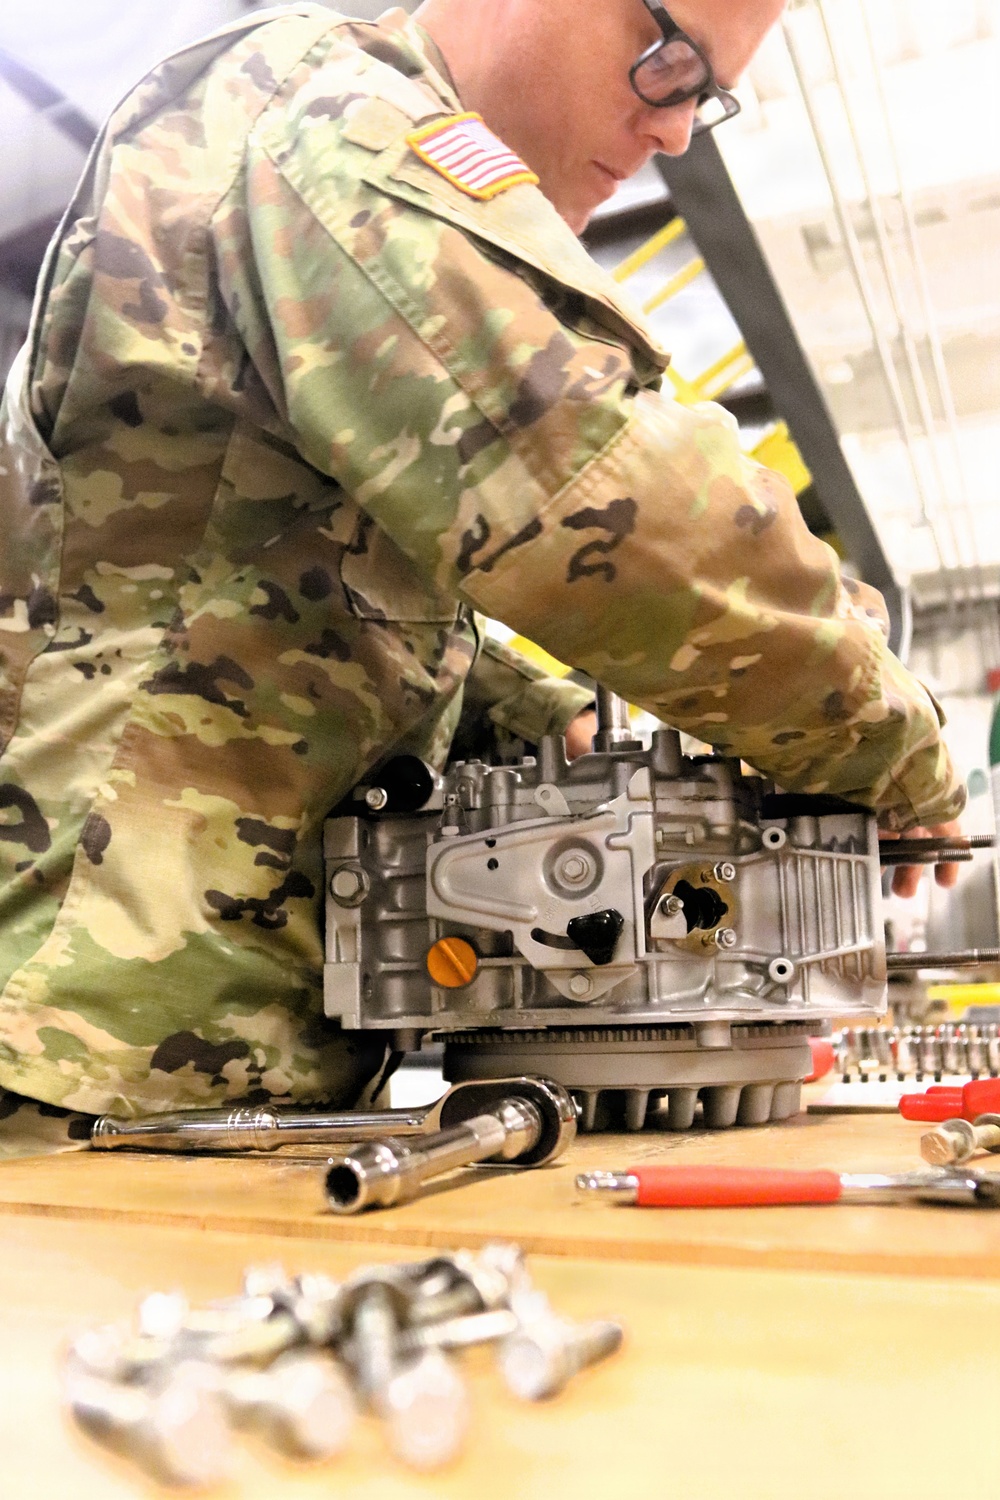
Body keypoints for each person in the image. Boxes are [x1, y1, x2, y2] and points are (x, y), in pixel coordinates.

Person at [0, 0, 964, 1151]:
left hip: (182, 1062)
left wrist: (536, 717)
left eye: (705, 98)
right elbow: (612, 506)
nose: (673, 132)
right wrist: (898, 752)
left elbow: (282, 607)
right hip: (93, 1054)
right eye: (667, 63)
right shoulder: (333, 124)